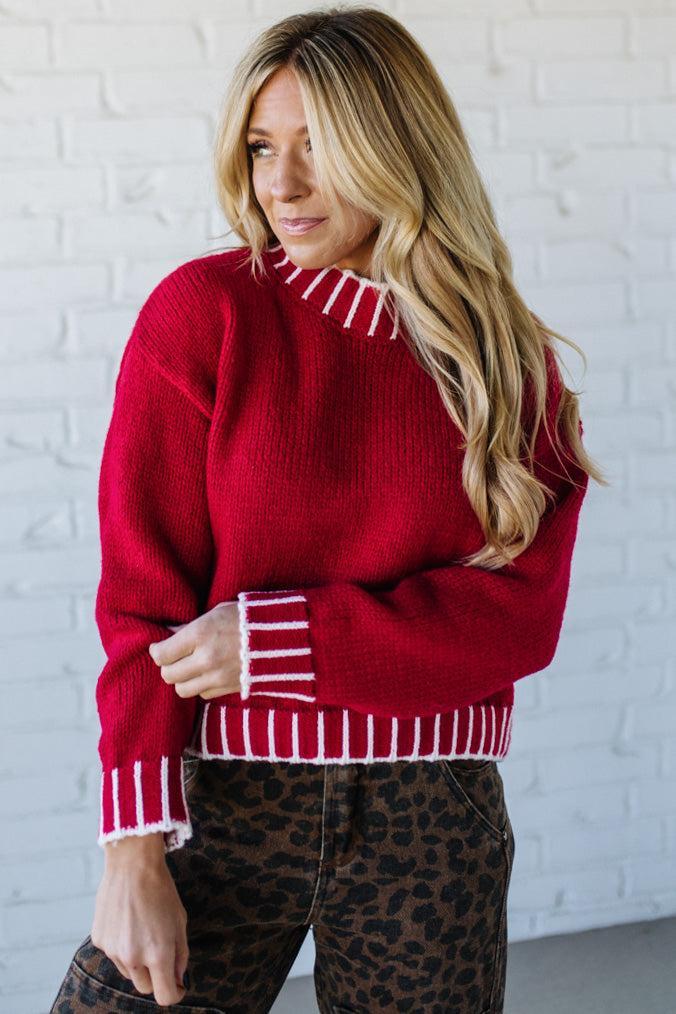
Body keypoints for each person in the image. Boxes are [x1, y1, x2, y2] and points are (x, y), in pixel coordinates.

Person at [50, 6, 606, 1013]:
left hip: (430, 815)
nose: (281, 184)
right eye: (263, 147)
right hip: (223, 806)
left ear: (397, 150)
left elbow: (520, 617)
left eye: (319, 147)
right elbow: (143, 605)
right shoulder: (205, 316)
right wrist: (131, 851)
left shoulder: (501, 361)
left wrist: (274, 643)